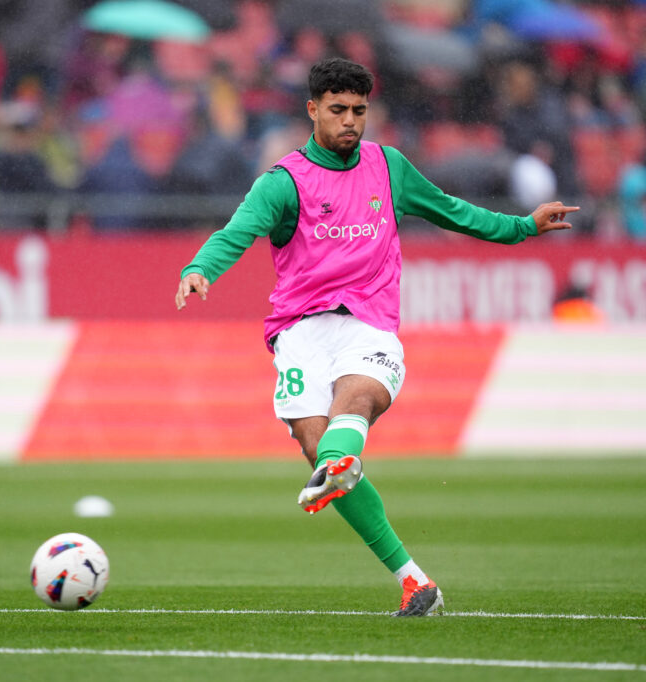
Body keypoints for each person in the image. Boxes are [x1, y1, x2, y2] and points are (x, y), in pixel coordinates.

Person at [174, 57, 577, 617]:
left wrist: (523, 227)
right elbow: (236, 232)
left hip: (368, 323)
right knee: (321, 451)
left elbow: (452, 212)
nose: (350, 122)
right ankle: (416, 583)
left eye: (359, 111)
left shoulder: (388, 168)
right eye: (338, 110)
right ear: (312, 110)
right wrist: (200, 269)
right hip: (299, 333)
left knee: (354, 404)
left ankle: (341, 461)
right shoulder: (283, 182)